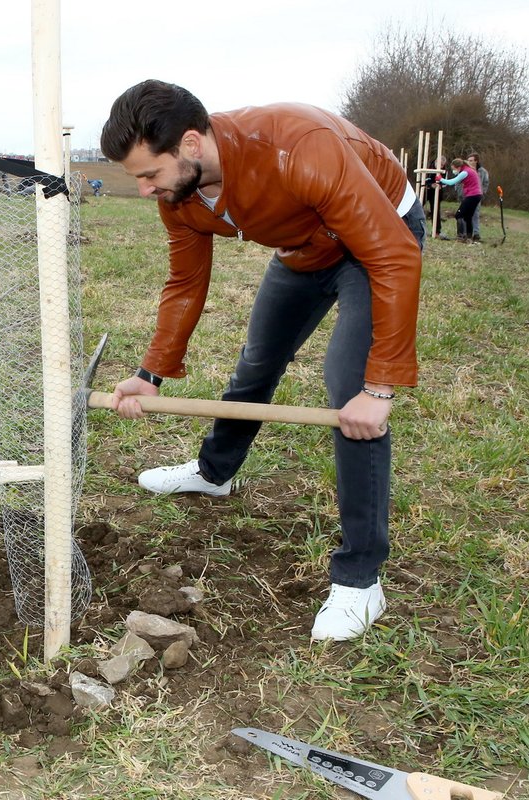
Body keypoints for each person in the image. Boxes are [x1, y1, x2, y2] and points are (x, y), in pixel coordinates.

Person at [100, 80, 425, 642]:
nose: (145, 188)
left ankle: (360, 578)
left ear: (192, 145)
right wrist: (150, 373)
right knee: (256, 362)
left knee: (349, 386)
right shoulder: (181, 195)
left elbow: (393, 256)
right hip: (302, 250)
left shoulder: (300, 147)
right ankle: (213, 474)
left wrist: (380, 386)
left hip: (377, 238)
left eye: (149, 173)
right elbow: (184, 282)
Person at [437, 158, 483, 243]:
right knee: (468, 216)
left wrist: (440, 179)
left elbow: (451, 182)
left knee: (459, 214)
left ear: (458, 167)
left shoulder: (465, 172)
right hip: (477, 195)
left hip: (472, 195)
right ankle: (469, 236)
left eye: (454, 169)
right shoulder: (469, 170)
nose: (454, 171)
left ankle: (461, 235)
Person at [466, 153, 489, 242]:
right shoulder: (466, 170)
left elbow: (486, 183)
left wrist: (482, 192)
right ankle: (466, 232)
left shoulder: (482, 172)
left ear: (476, 161)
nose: (470, 162)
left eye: (471, 160)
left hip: (477, 195)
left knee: (475, 214)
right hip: (467, 195)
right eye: (469, 160)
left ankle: (476, 233)